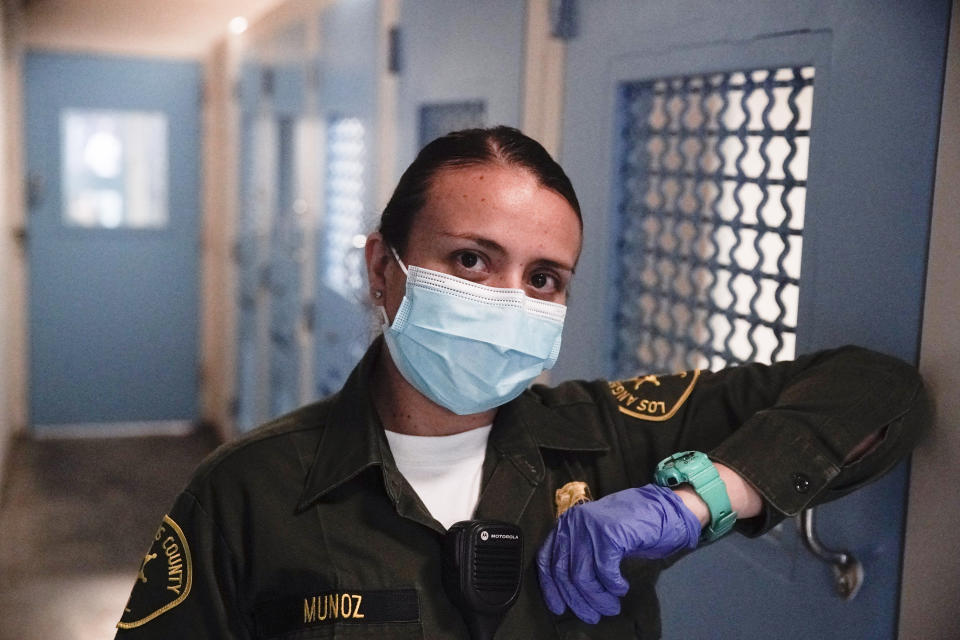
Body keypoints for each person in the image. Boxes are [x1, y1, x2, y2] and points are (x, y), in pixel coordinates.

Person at [114, 126, 930, 639]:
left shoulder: (614, 440)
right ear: (381, 269)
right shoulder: (249, 492)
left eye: (544, 279)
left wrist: (698, 499)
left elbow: (879, 392)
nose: (510, 300)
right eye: (471, 259)